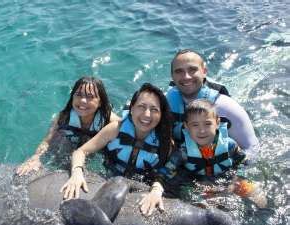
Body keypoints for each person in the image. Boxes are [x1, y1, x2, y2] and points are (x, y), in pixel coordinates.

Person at [60, 83, 173, 215]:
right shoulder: (115, 129)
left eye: (154, 110)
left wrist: (156, 190)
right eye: (141, 107)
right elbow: (81, 151)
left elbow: (168, 171)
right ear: (131, 109)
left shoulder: (166, 142)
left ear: (161, 115)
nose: (147, 114)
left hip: (141, 185)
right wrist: (77, 173)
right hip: (107, 177)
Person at [148, 100, 267, 212]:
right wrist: (157, 187)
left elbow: (242, 162)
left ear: (217, 123)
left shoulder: (229, 145)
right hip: (197, 183)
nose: (202, 130)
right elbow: (166, 171)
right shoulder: (183, 152)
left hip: (227, 178)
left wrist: (235, 180)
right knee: (196, 201)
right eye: (195, 125)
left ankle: (263, 212)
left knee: (255, 192)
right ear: (187, 127)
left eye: (207, 124)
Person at [167, 49, 259, 162]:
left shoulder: (227, 108)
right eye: (179, 71)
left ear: (204, 71)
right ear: (172, 76)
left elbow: (252, 150)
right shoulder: (164, 104)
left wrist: (236, 175)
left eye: (192, 69)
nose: (186, 76)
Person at [17, 76, 120, 176]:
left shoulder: (107, 119)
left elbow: (128, 127)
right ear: (72, 97)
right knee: (60, 153)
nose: (83, 100)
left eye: (90, 97)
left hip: (95, 142)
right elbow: (47, 141)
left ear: (100, 102)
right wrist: (35, 158)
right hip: (71, 138)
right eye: (78, 95)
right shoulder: (63, 117)